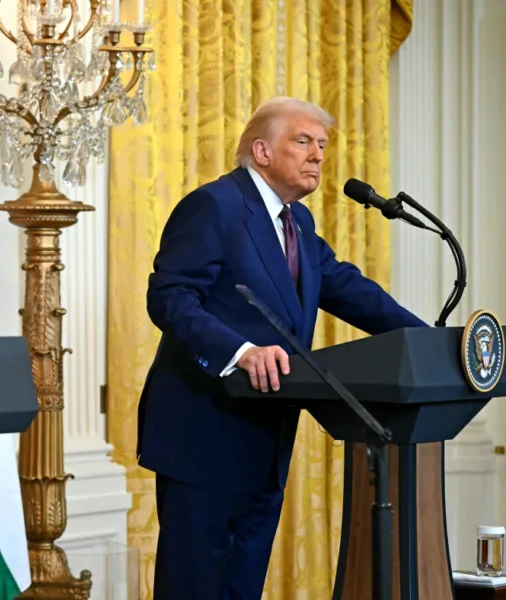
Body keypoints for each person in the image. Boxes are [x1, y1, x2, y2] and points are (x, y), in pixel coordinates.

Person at [136, 97, 427, 598]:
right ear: (262, 151)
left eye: (322, 145)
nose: (318, 154)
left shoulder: (299, 224)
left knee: (242, 589)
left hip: (266, 441)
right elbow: (170, 297)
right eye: (303, 141)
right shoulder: (215, 206)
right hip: (203, 438)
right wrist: (240, 351)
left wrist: (430, 341)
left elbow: (349, 289)